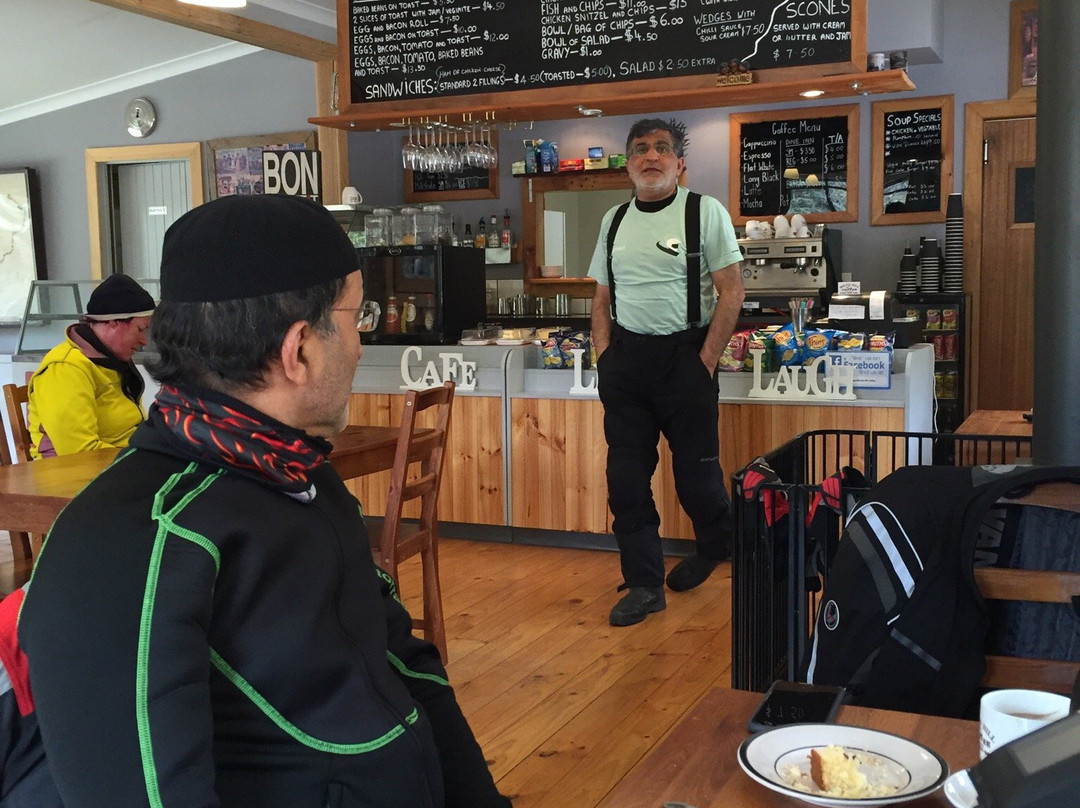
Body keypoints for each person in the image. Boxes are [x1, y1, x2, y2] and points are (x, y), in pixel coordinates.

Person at [18, 195, 511, 808]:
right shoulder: (131, 542)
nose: (360, 345)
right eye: (356, 317)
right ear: (298, 349)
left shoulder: (302, 476)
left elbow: (405, 662)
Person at [588, 118, 745, 627]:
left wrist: (705, 362)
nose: (650, 156)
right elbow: (602, 297)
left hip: (685, 360)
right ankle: (644, 584)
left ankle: (716, 544)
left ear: (680, 163)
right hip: (626, 364)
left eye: (661, 148)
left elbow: (732, 291)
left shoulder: (704, 211)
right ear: (628, 164)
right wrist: (603, 355)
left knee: (697, 478)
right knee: (625, 480)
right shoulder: (613, 220)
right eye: (640, 149)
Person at [27, 273, 155, 458]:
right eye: (140, 329)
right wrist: (141, 459)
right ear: (114, 322)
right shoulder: (66, 368)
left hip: (121, 458)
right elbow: (79, 452)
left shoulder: (111, 360)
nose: (144, 341)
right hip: (71, 470)